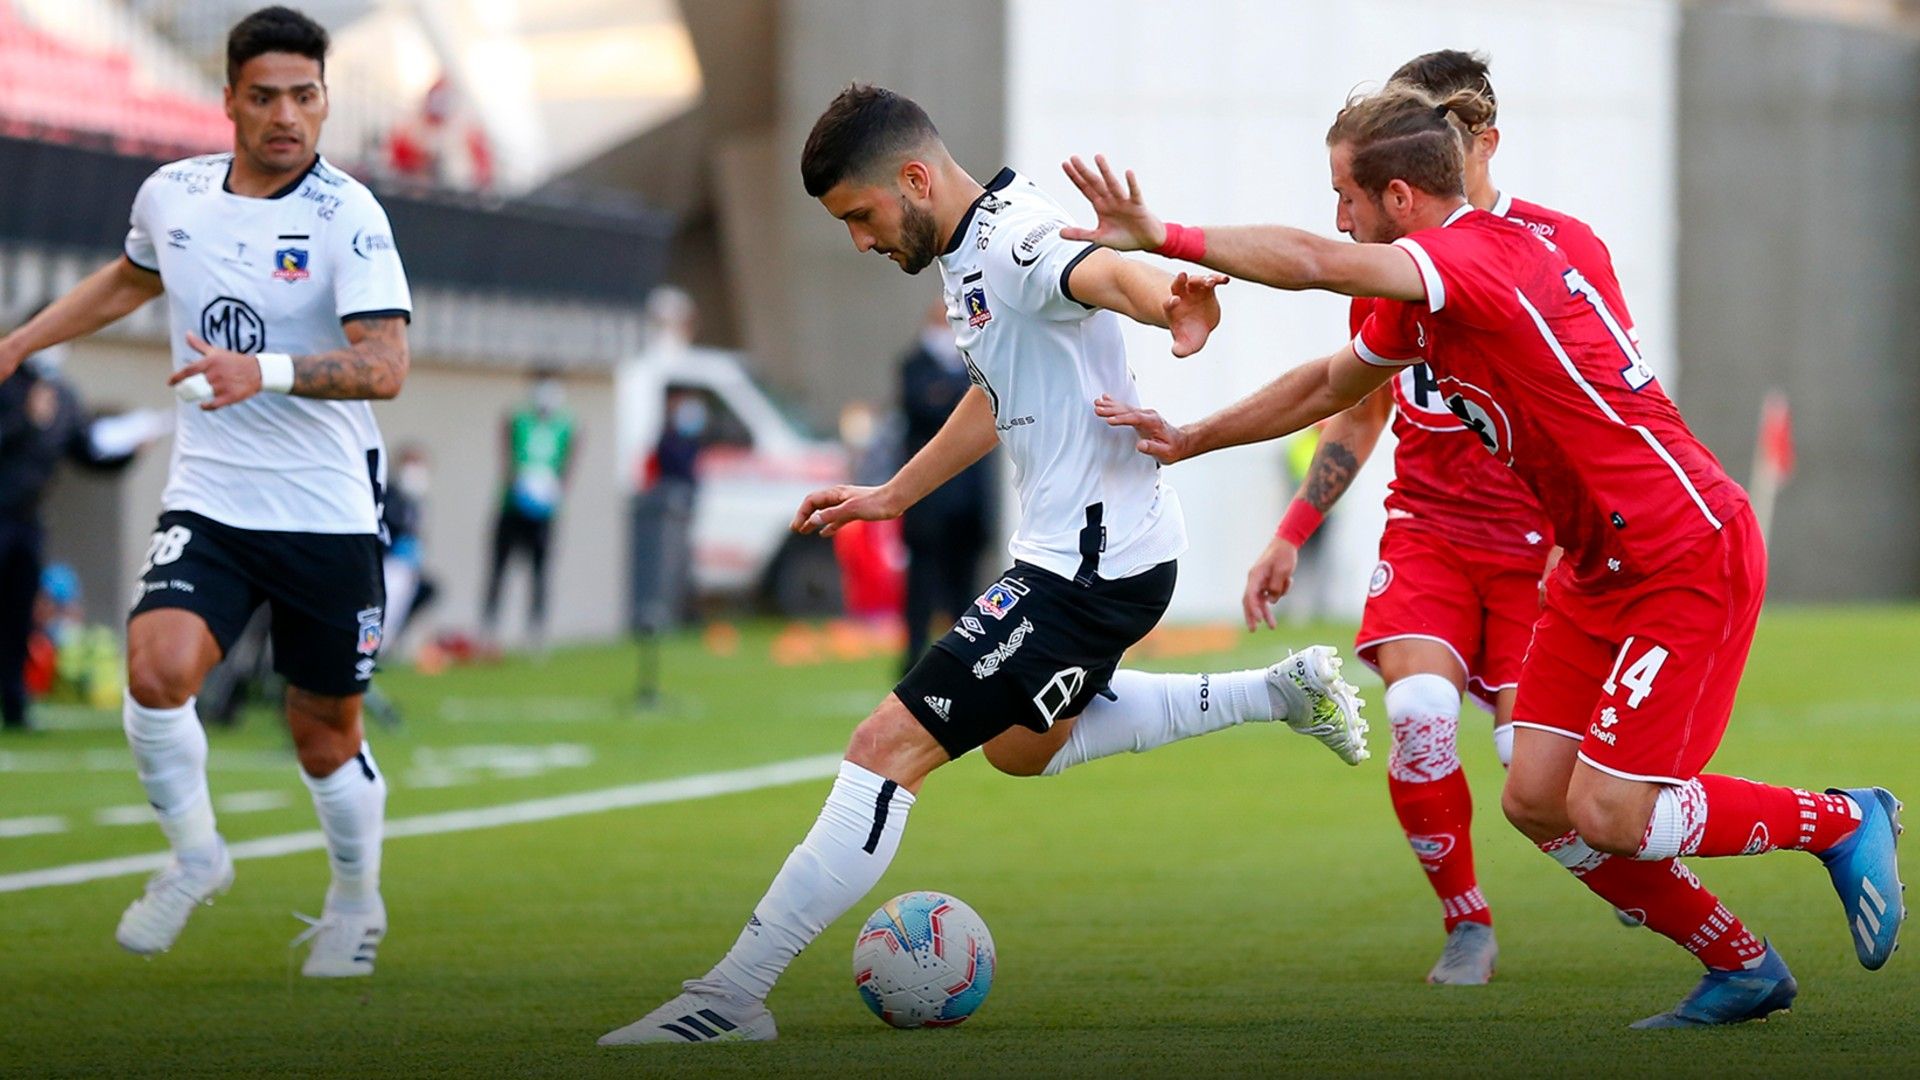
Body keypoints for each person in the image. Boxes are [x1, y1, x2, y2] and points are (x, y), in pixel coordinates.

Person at [1069, 80, 1903, 1028]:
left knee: (1611, 814)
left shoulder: (1477, 258)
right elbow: (1333, 381)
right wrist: (1194, 435)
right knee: (1537, 798)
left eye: (1344, 195)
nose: (1334, 217)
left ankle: (1841, 819)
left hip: (1682, 549)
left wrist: (1164, 234)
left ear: (1399, 200)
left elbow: (1310, 263)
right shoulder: (1430, 293)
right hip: (1594, 566)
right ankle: (1742, 966)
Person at [598, 84, 1369, 1047]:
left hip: (1090, 569)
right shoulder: (971, 251)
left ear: (914, 178)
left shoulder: (1012, 239)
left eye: (862, 216)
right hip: (1093, 554)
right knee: (1018, 746)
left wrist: (1168, 301)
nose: (861, 241)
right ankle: (1280, 693)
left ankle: (731, 993)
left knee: (886, 746)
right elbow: (995, 386)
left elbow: (1096, 274)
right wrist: (891, 493)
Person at [0, 6, 413, 976]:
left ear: (324, 101)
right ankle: (194, 855)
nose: (285, 116)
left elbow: (386, 364)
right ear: (228, 98)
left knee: (320, 733)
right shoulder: (172, 195)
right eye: (264, 96)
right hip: (214, 501)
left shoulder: (348, 216)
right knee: (154, 671)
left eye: (304, 97)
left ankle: (356, 902)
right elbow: (132, 278)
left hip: (327, 509)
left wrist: (259, 371)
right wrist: (21, 342)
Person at [1243, 50, 1636, 985]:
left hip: (1541, 552)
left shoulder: (1560, 247)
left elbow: (1614, 405)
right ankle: (1466, 922)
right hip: (1428, 535)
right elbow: (1361, 400)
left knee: (1535, 775)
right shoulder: (1394, 261)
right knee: (1418, 711)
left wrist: (1591, 537)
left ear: (1482, 141)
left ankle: (1637, 875)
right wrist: (1291, 531)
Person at [0, 336, 166, 730]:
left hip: (28, 520)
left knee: (19, 614)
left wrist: (130, 450)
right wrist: (26, 420)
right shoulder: (8, 385)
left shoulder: (62, 395)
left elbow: (87, 450)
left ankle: (14, 703)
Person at [898, 300, 994, 668]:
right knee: (922, 585)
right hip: (929, 502)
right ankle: (913, 658)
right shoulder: (916, 364)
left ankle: (961, 660)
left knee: (964, 589)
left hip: (967, 502)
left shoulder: (971, 363)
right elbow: (925, 407)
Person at [483, 366, 577, 647]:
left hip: (545, 511)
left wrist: (552, 490)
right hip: (512, 506)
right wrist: (521, 486)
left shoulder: (567, 424)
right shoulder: (516, 418)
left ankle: (535, 632)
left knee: (540, 571)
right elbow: (506, 460)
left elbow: (568, 465)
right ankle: (489, 628)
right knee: (499, 567)